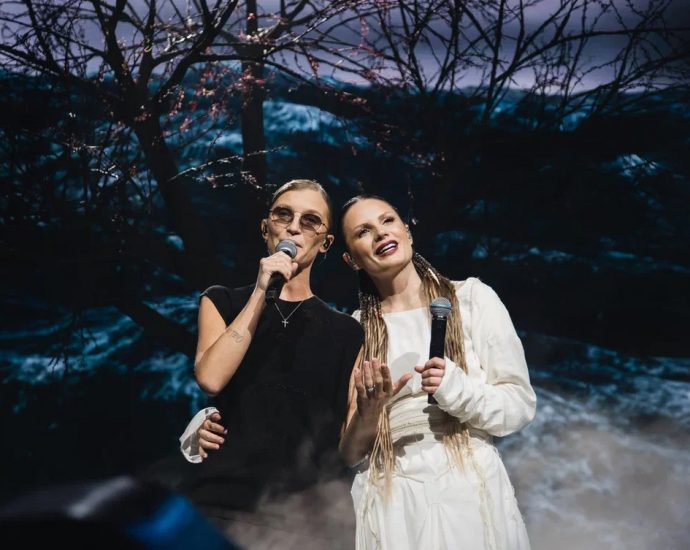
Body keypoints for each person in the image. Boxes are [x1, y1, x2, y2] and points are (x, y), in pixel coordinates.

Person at [194, 193, 537, 550]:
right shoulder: (357, 330)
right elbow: (323, 428)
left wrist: (456, 389)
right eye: (363, 231)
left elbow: (519, 406)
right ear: (351, 259)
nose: (380, 234)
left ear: (407, 231)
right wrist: (206, 424)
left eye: (388, 221)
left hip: (465, 486)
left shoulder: (472, 300)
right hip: (387, 496)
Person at [177, 179, 364, 548]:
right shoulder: (222, 301)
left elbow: (349, 443)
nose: (294, 227)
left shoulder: (347, 332)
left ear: (326, 243)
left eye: (310, 221)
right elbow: (211, 379)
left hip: (309, 516)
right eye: (284, 215)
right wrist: (262, 291)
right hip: (226, 504)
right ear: (266, 228)